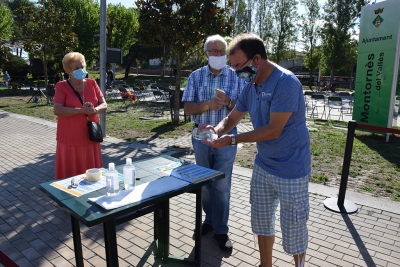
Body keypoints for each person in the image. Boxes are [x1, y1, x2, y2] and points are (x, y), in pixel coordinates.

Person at [200, 33, 311, 267]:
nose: (237, 71)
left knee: (294, 228)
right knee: (261, 221)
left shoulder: (286, 83)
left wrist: (231, 140)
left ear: (257, 59)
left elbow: (273, 130)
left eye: (240, 65)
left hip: (292, 167)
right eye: (234, 66)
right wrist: (216, 130)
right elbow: (231, 119)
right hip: (263, 165)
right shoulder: (250, 86)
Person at [182, 34, 245, 251]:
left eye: (221, 51)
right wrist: (208, 104)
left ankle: (221, 229)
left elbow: (243, 109)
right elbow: (187, 108)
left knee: (221, 183)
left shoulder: (236, 77)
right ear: (205, 54)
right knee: (205, 184)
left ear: (226, 54)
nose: (217, 55)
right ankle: (208, 221)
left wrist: (227, 101)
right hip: (201, 135)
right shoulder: (196, 76)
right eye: (213, 51)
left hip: (226, 137)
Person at [53, 52, 107, 180]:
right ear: (68, 71)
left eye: (82, 67)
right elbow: (57, 109)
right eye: (77, 68)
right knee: (71, 169)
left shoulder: (92, 83)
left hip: (90, 134)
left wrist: (94, 110)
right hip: (69, 135)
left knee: (91, 172)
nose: (81, 70)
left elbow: (104, 104)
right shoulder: (61, 86)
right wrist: (81, 110)